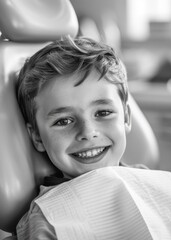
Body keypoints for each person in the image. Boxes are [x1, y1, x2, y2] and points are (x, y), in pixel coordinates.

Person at [15, 36, 142, 239]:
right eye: (64, 121)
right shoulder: (47, 220)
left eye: (102, 113)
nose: (87, 132)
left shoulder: (145, 180)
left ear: (126, 117)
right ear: (37, 136)